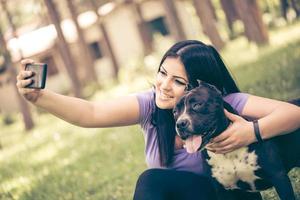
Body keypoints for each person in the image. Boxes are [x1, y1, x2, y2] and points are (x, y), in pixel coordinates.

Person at [16, 40, 300, 200]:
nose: (164, 85)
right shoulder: (150, 106)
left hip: (231, 196)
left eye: (178, 81)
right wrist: (39, 97)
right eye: (162, 73)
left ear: (201, 88)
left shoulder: (224, 104)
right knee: (152, 181)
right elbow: (91, 114)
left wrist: (251, 132)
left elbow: (294, 114)